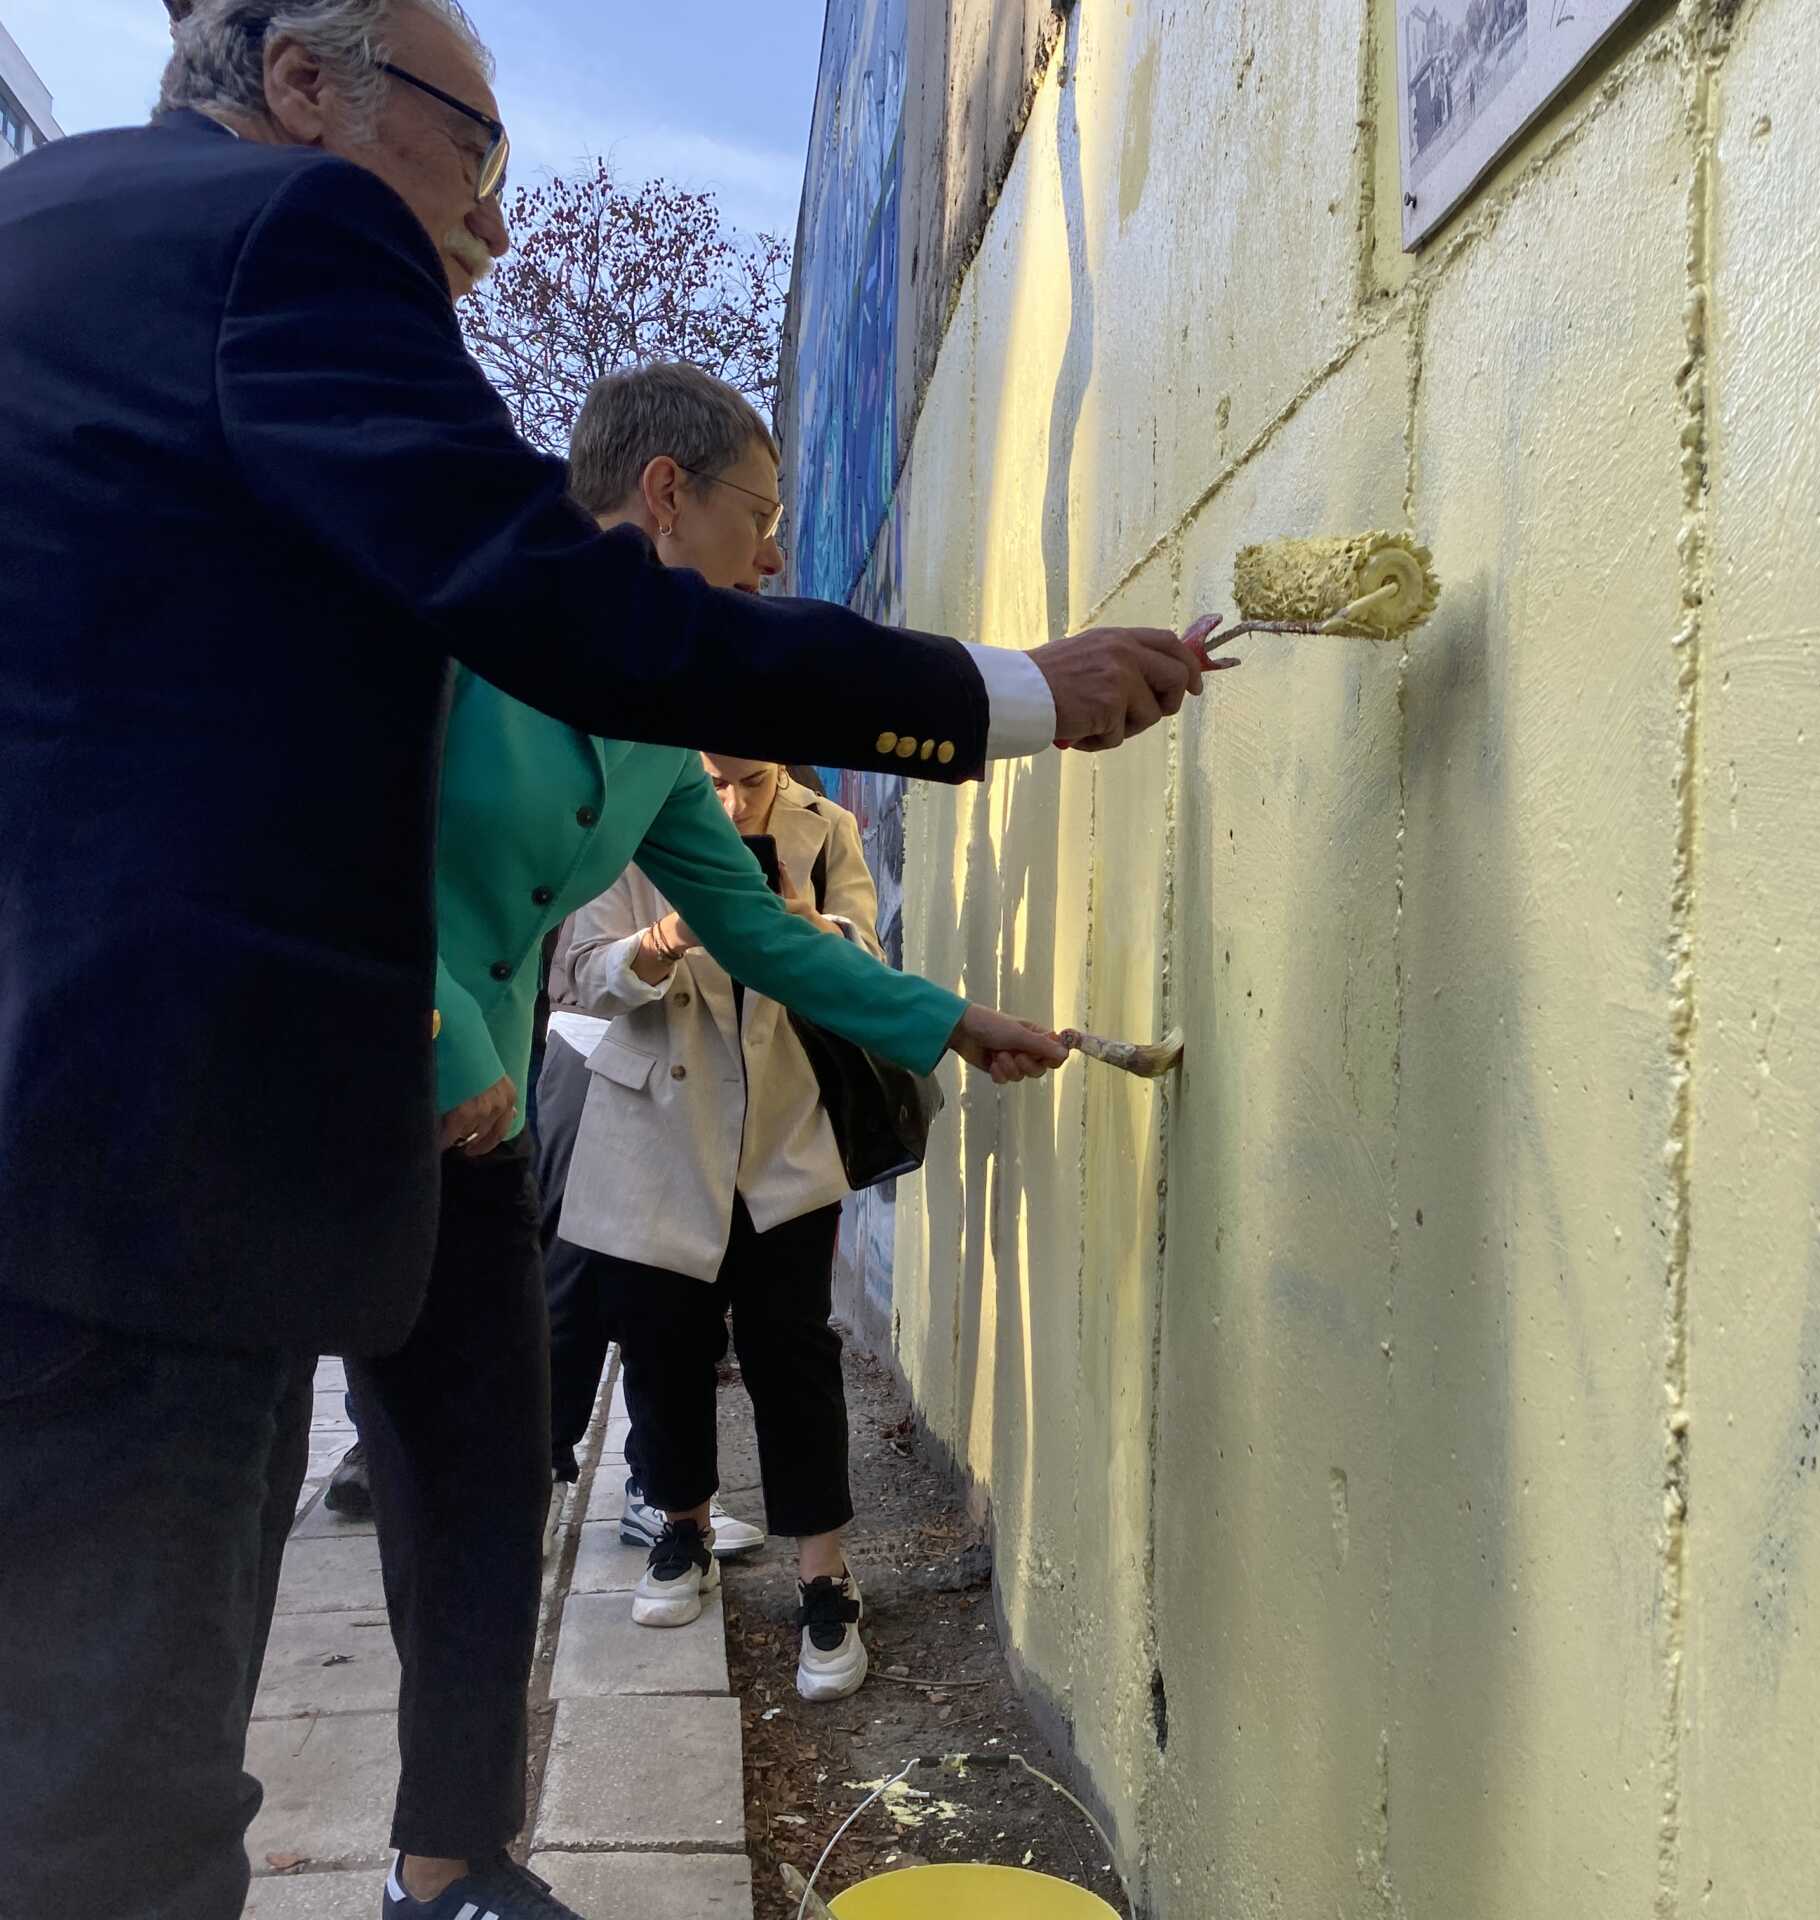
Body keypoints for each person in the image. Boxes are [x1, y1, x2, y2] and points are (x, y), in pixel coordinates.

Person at [0, 4, 1213, 1916]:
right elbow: (477, 693)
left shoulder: (56, 251)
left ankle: (454, 1868)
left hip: (290, 1138)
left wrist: (951, 1018)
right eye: (475, 155)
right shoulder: (283, 250)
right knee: (113, 1789)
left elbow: (736, 912)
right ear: (306, 87)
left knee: (456, 1523)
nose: (488, 225)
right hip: (167, 1137)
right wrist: (1005, 694)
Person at [362, 360, 1081, 1920]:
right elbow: (332, 830)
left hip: (475, 1151)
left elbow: (766, 934)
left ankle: (450, 1870)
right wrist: (448, 1036)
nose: (773, 562)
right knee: (274, 1507)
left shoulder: (648, 733)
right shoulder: (460, 620)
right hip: (349, 1085)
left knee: (490, 1490)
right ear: (662, 495)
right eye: (756, 521)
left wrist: (947, 1022)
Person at [558, 748, 890, 1699]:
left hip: (783, 1139)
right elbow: (581, 976)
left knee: (793, 1349)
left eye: (752, 783)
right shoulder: (624, 824)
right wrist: (660, 942)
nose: (735, 802)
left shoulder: (827, 831)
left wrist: (796, 923)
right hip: (657, 1134)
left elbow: (865, 965)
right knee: (663, 1345)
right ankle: (684, 1527)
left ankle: (824, 1576)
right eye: (715, 780)